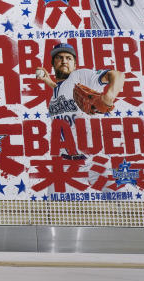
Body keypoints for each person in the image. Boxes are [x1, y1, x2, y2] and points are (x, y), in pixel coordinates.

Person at [35, 43, 124, 187]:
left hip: (94, 160)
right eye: (60, 57)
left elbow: (118, 74)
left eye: (69, 58)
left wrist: (110, 94)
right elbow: (64, 91)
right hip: (66, 163)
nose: (64, 61)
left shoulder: (80, 75)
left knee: (121, 201)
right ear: (53, 63)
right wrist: (48, 81)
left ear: (75, 64)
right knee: (55, 207)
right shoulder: (56, 93)